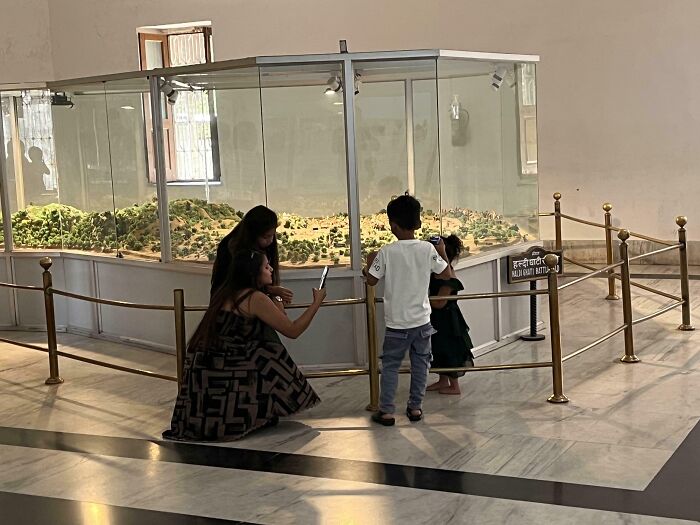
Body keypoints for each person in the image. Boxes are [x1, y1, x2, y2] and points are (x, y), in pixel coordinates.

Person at [163, 249, 326, 441]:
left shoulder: (226, 292)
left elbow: (278, 316)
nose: (272, 269)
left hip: (202, 367)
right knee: (270, 353)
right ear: (253, 273)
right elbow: (292, 330)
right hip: (227, 368)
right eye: (266, 267)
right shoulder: (255, 298)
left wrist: (276, 297)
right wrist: (317, 302)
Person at [363, 194, 450, 426]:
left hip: (396, 325)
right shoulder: (426, 249)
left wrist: (369, 262)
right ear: (418, 223)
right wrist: (441, 251)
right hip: (422, 321)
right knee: (421, 364)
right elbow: (446, 274)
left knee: (391, 366)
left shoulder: (387, 252)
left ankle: (387, 411)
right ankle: (415, 408)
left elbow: (371, 280)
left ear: (392, 225)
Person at [211, 205, 292, 303]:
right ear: (253, 234)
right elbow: (237, 285)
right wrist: (271, 290)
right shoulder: (232, 248)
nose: (271, 240)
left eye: (272, 235)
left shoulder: (263, 245)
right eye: (266, 237)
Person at [426, 235, 475, 395]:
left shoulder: (448, 276)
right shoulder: (435, 272)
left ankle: (454, 385)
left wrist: (422, 297)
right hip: (437, 319)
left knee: (449, 350)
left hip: (448, 320)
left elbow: (440, 303)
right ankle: (442, 380)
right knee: (438, 349)